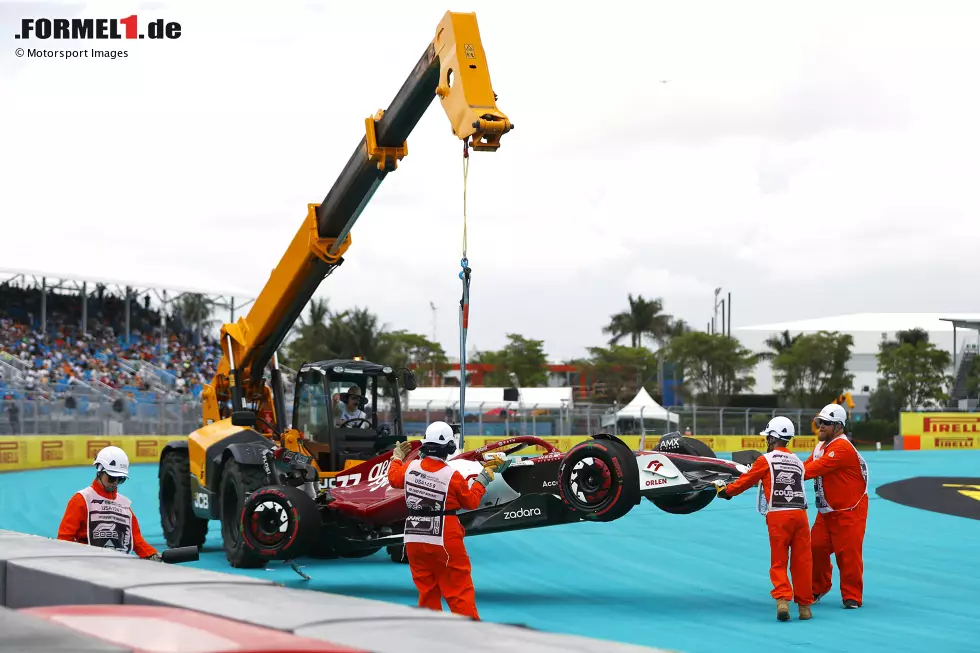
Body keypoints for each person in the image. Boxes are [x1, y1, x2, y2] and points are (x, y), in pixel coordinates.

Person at [386, 421, 507, 619]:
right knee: (458, 591)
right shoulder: (452, 475)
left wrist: (396, 457)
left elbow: (393, 478)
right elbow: (471, 502)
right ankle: (470, 639)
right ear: (450, 447)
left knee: (427, 592)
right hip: (444, 536)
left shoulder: (410, 467)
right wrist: (483, 478)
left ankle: (434, 640)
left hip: (414, 538)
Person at [714, 416, 814, 621]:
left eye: (768, 437)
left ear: (773, 437)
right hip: (801, 515)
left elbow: (746, 480)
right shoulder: (797, 461)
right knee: (802, 562)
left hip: (778, 515)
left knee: (779, 561)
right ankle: (805, 608)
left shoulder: (765, 460)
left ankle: (782, 601)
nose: (766, 441)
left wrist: (727, 491)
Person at [804, 403, 869, 609]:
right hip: (827, 511)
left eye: (826, 423)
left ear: (839, 427)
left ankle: (852, 596)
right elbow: (804, 466)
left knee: (848, 554)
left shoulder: (841, 447)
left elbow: (812, 470)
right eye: (819, 422)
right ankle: (819, 586)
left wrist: (776, 470)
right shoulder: (819, 448)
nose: (821, 426)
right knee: (816, 548)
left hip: (849, 511)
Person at [57, 445, 160, 560]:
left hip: (118, 569)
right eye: (112, 478)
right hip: (87, 567)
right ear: (100, 471)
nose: (115, 482)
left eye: (121, 479)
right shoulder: (81, 499)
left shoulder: (125, 506)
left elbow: (137, 540)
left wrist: (152, 555)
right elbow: (64, 539)